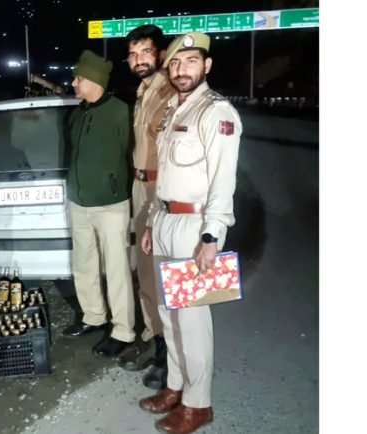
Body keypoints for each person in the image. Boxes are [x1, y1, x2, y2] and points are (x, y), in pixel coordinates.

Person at [138, 32, 242, 434]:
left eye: (191, 62)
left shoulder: (217, 113)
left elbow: (223, 181)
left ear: (207, 66)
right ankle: (176, 387)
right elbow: (165, 177)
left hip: (196, 226)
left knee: (193, 320)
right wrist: (150, 222)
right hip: (165, 221)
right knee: (170, 314)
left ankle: (199, 405)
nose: (182, 70)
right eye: (176, 64)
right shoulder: (175, 110)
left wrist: (212, 237)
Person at [62, 49, 135, 357]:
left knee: (117, 269)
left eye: (79, 77)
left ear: (95, 80)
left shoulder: (120, 112)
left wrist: (117, 187)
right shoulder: (77, 113)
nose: (74, 82)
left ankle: (123, 331)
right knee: (84, 265)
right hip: (78, 203)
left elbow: (129, 153)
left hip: (110, 205)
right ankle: (93, 316)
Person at [118, 25, 175, 390]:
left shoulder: (171, 91)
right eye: (134, 54)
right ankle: (155, 342)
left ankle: (172, 357)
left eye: (146, 53)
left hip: (162, 187)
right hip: (140, 186)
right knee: (144, 270)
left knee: (165, 272)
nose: (139, 60)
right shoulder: (141, 93)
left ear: (160, 54)